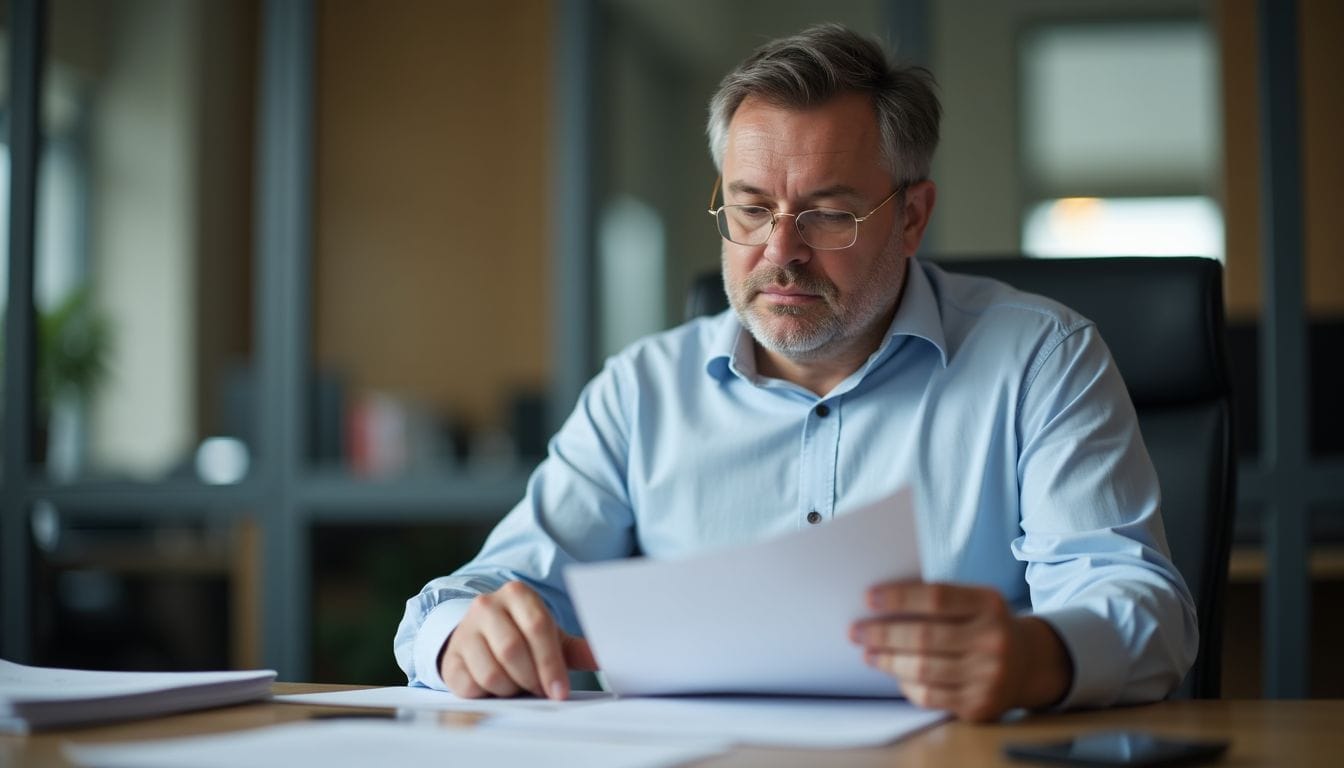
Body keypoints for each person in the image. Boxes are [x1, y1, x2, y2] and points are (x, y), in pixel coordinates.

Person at [394, 23, 1197, 722]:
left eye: (828, 213)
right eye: (750, 208)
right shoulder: (641, 392)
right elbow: (482, 592)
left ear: (911, 217)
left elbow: (1143, 610)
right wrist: (466, 634)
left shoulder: (1040, 362)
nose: (780, 252)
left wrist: (1035, 656)